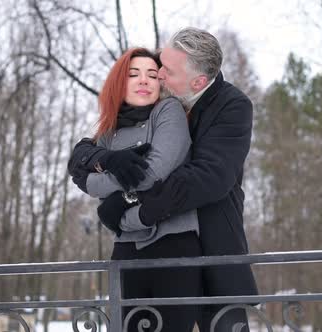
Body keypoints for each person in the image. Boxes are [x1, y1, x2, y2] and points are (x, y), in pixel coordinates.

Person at [68, 28, 258, 331]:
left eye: (166, 70)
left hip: (211, 247)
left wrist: (130, 209)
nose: (157, 74)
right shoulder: (152, 105)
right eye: (160, 62)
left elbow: (208, 177)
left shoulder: (232, 106)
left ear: (197, 82)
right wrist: (99, 158)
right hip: (149, 252)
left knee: (225, 325)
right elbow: (85, 152)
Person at [68, 47, 202, 332]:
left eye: (152, 75)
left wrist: (101, 186)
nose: (144, 80)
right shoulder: (108, 130)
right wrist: (102, 173)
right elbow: (82, 171)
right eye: (134, 74)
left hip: (174, 247)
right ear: (120, 81)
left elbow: (152, 172)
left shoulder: (169, 111)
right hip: (125, 251)